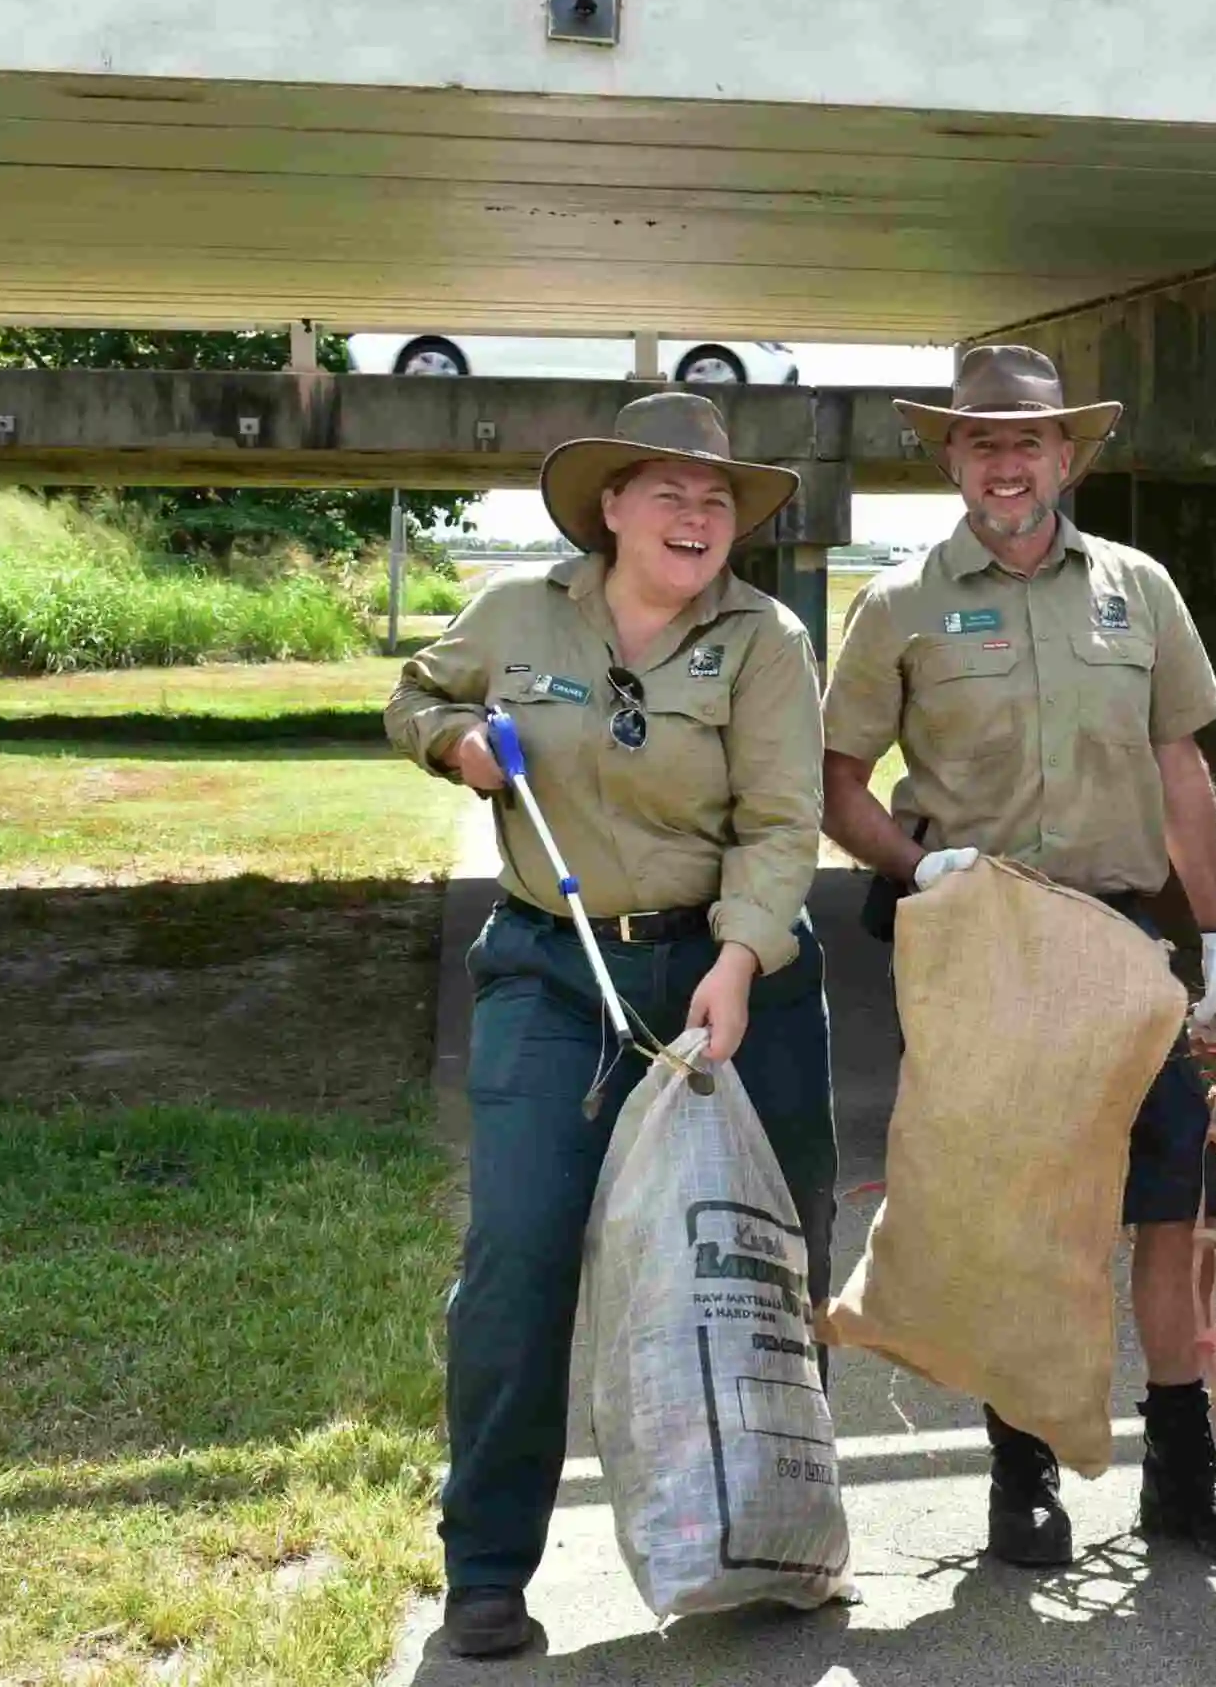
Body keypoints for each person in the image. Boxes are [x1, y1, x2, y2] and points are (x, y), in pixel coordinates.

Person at [385, 392, 838, 1659]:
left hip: (733, 970)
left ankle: (779, 1527)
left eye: (717, 502)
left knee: (774, 1244)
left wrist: (742, 956)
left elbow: (780, 821)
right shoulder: (518, 613)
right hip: (554, 973)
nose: (697, 519)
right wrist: (454, 743)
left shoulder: (767, 639)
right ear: (613, 510)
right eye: (669, 495)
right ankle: (484, 1565)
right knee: (521, 1254)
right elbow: (413, 697)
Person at [818, 344, 1216, 1569]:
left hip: (1124, 942)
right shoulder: (899, 604)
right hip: (985, 944)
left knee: (1174, 1194)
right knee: (1007, 1210)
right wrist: (917, 868)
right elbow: (837, 787)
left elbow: (1183, 769)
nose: (1006, 462)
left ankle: (1183, 1471)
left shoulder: (1138, 589)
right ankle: (1019, 1478)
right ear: (950, 457)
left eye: (1029, 441)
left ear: (1068, 456)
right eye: (981, 441)